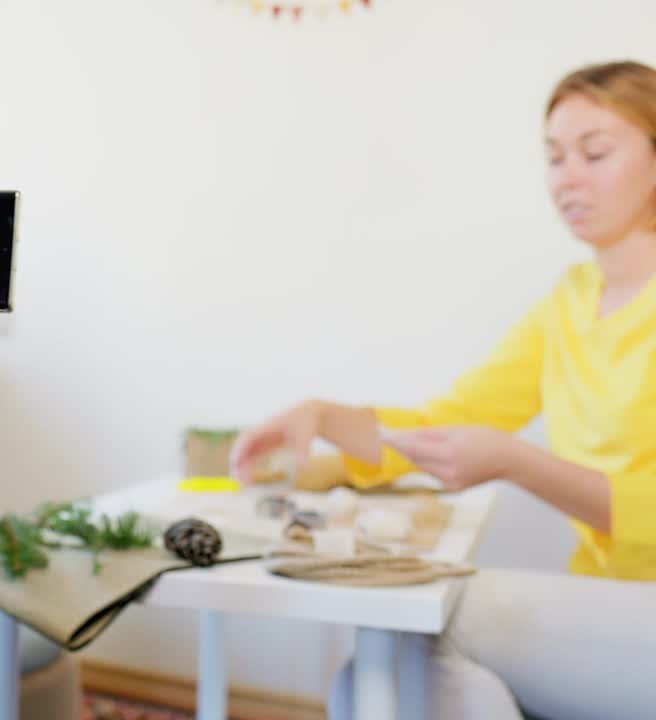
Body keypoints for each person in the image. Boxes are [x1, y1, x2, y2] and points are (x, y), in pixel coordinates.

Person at [230, 60, 656, 720]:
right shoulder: (570, 302)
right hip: (611, 608)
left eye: (594, 153)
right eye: (553, 157)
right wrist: (323, 421)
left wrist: (517, 463)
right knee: (371, 683)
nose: (567, 177)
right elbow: (452, 419)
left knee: (424, 626)